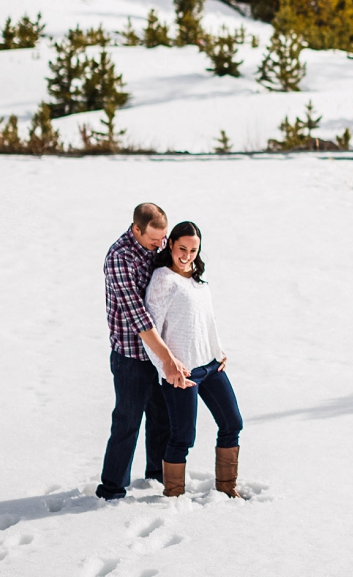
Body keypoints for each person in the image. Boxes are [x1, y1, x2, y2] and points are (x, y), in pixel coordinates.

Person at [98, 202, 193, 501]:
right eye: (154, 240)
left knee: (161, 416)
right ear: (136, 229)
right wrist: (168, 359)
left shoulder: (158, 244)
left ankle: (156, 474)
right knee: (127, 420)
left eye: (163, 240)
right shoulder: (119, 258)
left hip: (160, 351)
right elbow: (139, 317)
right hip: (131, 355)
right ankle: (112, 488)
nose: (159, 246)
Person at [146, 220, 244, 498]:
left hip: (211, 367)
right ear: (171, 246)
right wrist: (166, 368)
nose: (187, 255)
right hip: (182, 372)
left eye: (193, 249)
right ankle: (174, 494)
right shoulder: (163, 280)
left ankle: (227, 488)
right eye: (182, 248)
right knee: (183, 437)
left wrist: (219, 351)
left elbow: (207, 322)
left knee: (232, 423)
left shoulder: (198, 281)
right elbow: (151, 331)